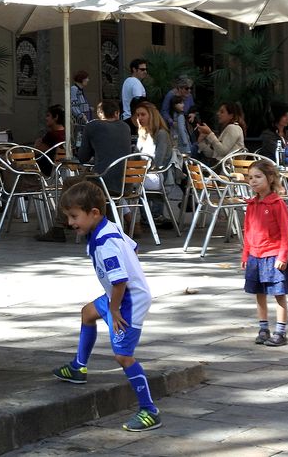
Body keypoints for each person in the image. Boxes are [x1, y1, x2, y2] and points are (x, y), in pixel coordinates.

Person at [51, 181, 161, 432]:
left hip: (127, 300)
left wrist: (114, 309)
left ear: (94, 213)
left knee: (123, 355)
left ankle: (149, 411)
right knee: (87, 313)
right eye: (68, 217)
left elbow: (120, 280)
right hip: (120, 295)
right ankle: (78, 367)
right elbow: (133, 247)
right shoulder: (106, 229)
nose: (70, 223)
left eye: (73, 217)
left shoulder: (104, 243)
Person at [243, 159, 288, 347]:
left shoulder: (277, 204)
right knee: (259, 293)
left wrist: (283, 255)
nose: (253, 181)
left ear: (270, 178)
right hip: (255, 256)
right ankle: (263, 328)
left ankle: (280, 331)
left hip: (273, 255)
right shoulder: (251, 205)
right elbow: (247, 231)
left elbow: (285, 232)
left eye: (258, 177)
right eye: (250, 178)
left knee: (279, 294)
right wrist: (245, 254)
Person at [78, 100, 132, 193]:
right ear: (117, 113)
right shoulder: (125, 127)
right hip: (126, 186)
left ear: (100, 113)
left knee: (69, 182)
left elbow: (83, 158)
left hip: (101, 184)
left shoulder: (92, 126)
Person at [134, 101, 173, 227]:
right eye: (137, 115)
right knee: (126, 178)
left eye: (143, 114)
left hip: (158, 176)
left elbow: (158, 162)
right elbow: (135, 158)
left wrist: (139, 168)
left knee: (130, 181)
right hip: (144, 174)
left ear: (152, 116)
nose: (139, 118)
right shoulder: (142, 135)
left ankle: (152, 216)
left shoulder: (161, 134)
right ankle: (147, 217)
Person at [34, 104, 67, 174]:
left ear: (56, 117)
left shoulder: (52, 135)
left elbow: (37, 151)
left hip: (48, 168)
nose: (46, 118)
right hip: (64, 167)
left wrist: (37, 144)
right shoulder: (67, 134)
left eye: (48, 115)